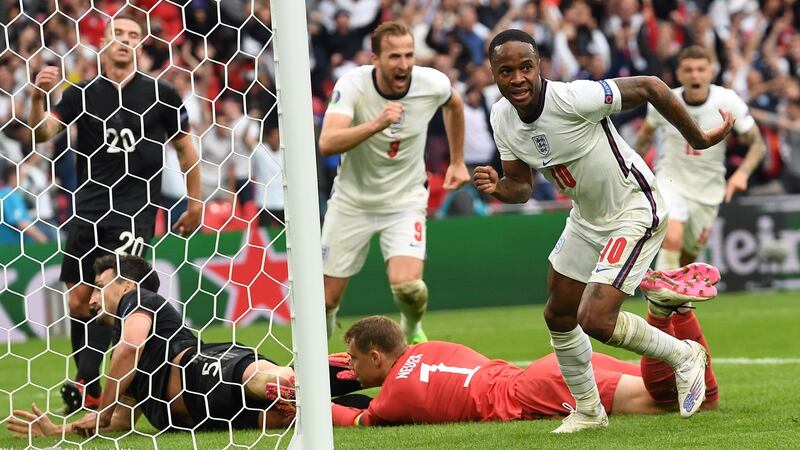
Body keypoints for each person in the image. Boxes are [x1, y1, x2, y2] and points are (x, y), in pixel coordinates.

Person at [471, 30, 734, 432]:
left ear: (539, 65)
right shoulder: (501, 117)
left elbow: (650, 86)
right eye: (506, 71)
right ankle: (590, 411)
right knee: (558, 313)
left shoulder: (574, 97)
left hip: (634, 207)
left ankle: (684, 355)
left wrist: (699, 137)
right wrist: (498, 188)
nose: (518, 78)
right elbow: (521, 187)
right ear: (493, 73)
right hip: (587, 218)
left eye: (526, 67)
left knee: (593, 316)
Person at [27, 14, 202, 413]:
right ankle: (94, 382)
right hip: (87, 210)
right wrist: (39, 98)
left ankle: (112, 387)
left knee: (118, 298)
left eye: (133, 36)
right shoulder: (81, 93)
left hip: (134, 212)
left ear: (141, 45)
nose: (125, 41)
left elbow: (186, 149)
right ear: (103, 43)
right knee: (78, 301)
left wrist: (195, 202)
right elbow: (41, 133)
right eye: (117, 34)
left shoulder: (160, 94)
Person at [6, 254, 360, 437]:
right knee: (294, 416)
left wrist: (102, 407)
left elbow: (128, 350)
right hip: (206, 417)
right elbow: (122, 421)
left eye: (100, 286)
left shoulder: (139, 302)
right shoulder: (123, 345)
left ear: (125, 286)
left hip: (200, 371)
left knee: (277, 384)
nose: (93, 299)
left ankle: (379, 366)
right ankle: (383, 401)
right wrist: (60, 430)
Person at [330, 279, 720, 427]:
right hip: (539, 373)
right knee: (703, 399)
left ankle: (660, 312)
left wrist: (299, 394)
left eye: (354, 359)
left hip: (541, 389)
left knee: (666, 400)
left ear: (378, 356)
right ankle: (681, 312)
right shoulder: (428, 347)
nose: (351, 366)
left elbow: (354, 419)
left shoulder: (395, 397)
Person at [317, 20, 470, 344]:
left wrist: (457, 160)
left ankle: (411, 329)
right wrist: (376, 123)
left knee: (408, 288)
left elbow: (454, 104)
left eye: (409, 55)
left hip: (405, 200)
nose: (403, 65)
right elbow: (327, 142)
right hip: (352, 201)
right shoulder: (354, 85)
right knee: (325, 301)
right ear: (375, 59)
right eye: (394, 57)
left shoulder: (431, 83)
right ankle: (314, 369)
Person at [634, 45, 765, 275]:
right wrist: (630, 172)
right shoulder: (665, 99)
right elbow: (644, 138)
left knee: (688, 256)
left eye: (700, 69)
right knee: (672, 238)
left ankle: (677, 306)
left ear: (710, 72)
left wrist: (742, 174)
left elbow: (757, 144)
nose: (695, 75)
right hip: (671, 181)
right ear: (679, 74)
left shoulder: (726, 100)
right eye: (689, 70)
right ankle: (659, 309)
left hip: (708, 190)